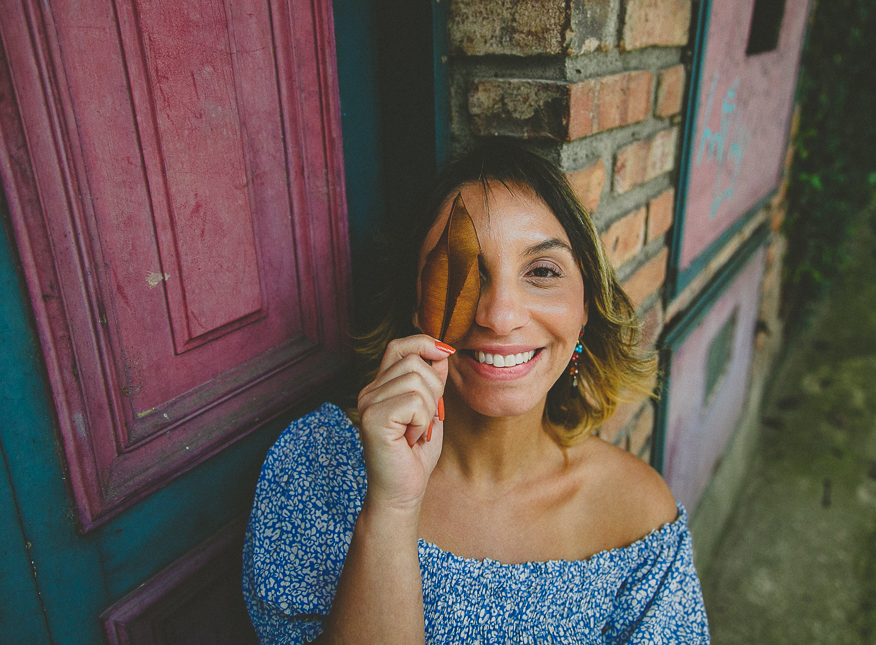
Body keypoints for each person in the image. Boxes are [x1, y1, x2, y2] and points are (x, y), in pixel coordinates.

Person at [242, 140, 710, 643]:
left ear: (584, 310)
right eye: (463, 273)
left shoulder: (638, 516)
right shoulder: (316, 465)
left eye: (542, 272)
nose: (499, 316)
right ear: (416, 305)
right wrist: (391, 509)